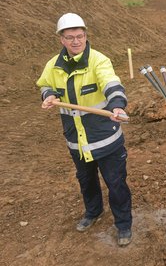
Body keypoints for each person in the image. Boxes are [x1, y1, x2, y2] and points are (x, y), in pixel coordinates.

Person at [36, 13, 133, 246]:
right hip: (76, 141)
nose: (76, 41)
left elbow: (111, 83)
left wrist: (118, 106)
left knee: (116, 182)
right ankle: (93, 212)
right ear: (62, 39)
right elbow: (45, 84)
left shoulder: (98, 61)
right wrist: (48, 95)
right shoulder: (53, 65)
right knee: (86, 181)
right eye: (70, 37)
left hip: (106, 139)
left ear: (86, 36)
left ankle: (123, 225)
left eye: (80, 36)